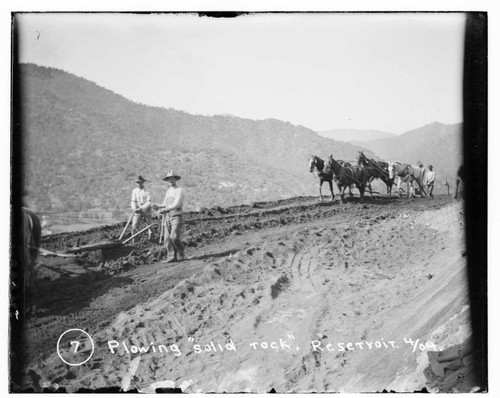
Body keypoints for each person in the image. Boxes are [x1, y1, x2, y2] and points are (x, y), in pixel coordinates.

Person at [154, 170, 185, 263]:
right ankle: (171, 257)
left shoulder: (179, 190)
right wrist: (158, 206)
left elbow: (176, 204)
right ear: (167, 181)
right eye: (169, 179)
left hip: (176, 215)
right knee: (167, 238)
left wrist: (166, 209)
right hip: (168, 216)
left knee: (174, 236)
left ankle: (181, 253)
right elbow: (165, 203)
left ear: (175, 179)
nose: (170, 180)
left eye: (172, 178)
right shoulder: (168, 191)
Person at [130, 175, 153, 241]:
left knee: (149, 223)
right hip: (137, 209)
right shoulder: (134, 191)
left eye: (140, 182)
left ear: (143, 182)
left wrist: (142, 208)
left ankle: (152, 238)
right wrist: (134, 208)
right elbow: (133, 201)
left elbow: (149, 202)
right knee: (135, 224)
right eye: (138, 182)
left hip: (146, 208)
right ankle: (135, 240)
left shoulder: (147, 191)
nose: (139, 184)